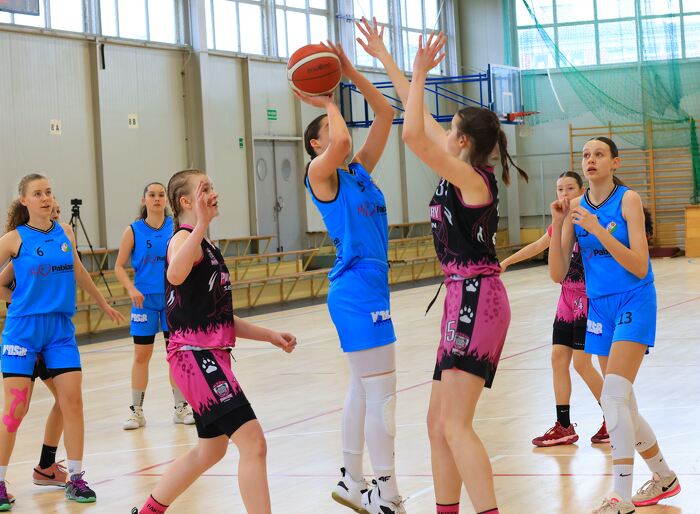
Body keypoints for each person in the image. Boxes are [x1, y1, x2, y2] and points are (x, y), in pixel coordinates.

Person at [398, 30, 527, 514]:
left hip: (478, 298)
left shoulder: (472, 179)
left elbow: (412, 134)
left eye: (450, 130)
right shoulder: (462, 166)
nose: (444, 134)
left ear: (464, 141)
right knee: (437, 425)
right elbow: (418, 118)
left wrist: (420, 73)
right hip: (461, 297)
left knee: (455, 425)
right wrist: (391, 60)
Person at [134, 169, 296, 514]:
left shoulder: (205, 247)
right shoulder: (182, 240)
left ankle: (147, 511)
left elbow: (219, 318)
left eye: (212, 186)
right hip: (194, 357)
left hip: (208, 356)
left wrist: (269, 336)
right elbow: (175, 273)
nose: (214, 193)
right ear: (186, 201)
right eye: (205, 189)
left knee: (211, 450)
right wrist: (201, 225)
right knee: (253, 442)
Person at [299, 34, 404, 514]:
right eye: (329, 126)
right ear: (316, 145)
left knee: (364, 389)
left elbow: (385, 113)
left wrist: (349, 70)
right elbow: (341, 139)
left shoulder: (358, 171)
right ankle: (386, 492)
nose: (338, 128)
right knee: (382, 395)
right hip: (355, 288)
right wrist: (326, 98)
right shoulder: (320, 175)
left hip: (370, 287)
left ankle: (351, 481)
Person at [548, 137, 681, 513]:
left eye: (599, 154)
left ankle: (620, 496)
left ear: (615, 163)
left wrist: (598, 229)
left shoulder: (628, 200)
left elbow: (639, 265)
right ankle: (664, 477)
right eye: (585, 155)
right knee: (624, 405)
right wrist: (559, 223)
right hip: (599, 310)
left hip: (635, 300)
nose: (590, 160)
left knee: (613, 398)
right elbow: (558, 273)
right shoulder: (575, 207)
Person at [0, 174, 124, 509]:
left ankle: (76, 478)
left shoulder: (65, 232)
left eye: (48, 192)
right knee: (15, 411)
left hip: (59, 331)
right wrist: (15, 299)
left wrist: (102, 303)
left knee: (72, 402)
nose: (45, 198)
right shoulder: (13, 239)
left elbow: (78, 271)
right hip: (23, 331)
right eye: (37, 193)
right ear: (24, 200)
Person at [501, 172, 608, 447]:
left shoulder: (588, 222)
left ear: (581, 190)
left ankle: (614, 416)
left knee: (582, 363)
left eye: (570, 188)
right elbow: (539, 245)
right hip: (566, 299)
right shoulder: (559, 224)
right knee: (558, 359)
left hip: (588, 299)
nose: (564, 194)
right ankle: (564, 426)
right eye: (560, 189)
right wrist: (506, 263)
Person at [114, 182, 194, 430]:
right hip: (144, 301)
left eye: (161, 195)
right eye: (152, 195)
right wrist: (131, 288)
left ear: (166, 200)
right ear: (144, 199)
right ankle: (136, 411)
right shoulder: (133, 230)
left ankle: (181, 408)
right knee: (142, 355)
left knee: (176, 354)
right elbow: (118, 266)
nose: (157, 198)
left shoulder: (176, 228)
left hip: (172, 298)